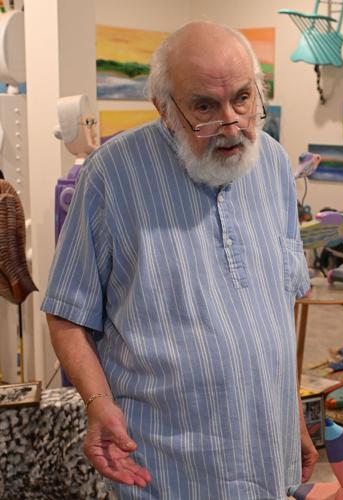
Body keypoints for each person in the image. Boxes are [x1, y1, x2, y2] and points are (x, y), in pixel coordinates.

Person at [42, 21, 317, 499]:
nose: (231, 124)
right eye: (204, 107)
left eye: (243, 98)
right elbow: (67, 314)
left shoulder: (273, 164)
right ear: (164, 108)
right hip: (166, 466)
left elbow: (278, 307)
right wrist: (98, 403)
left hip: (267, 451)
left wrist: (291, 412)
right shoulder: (112, 175)